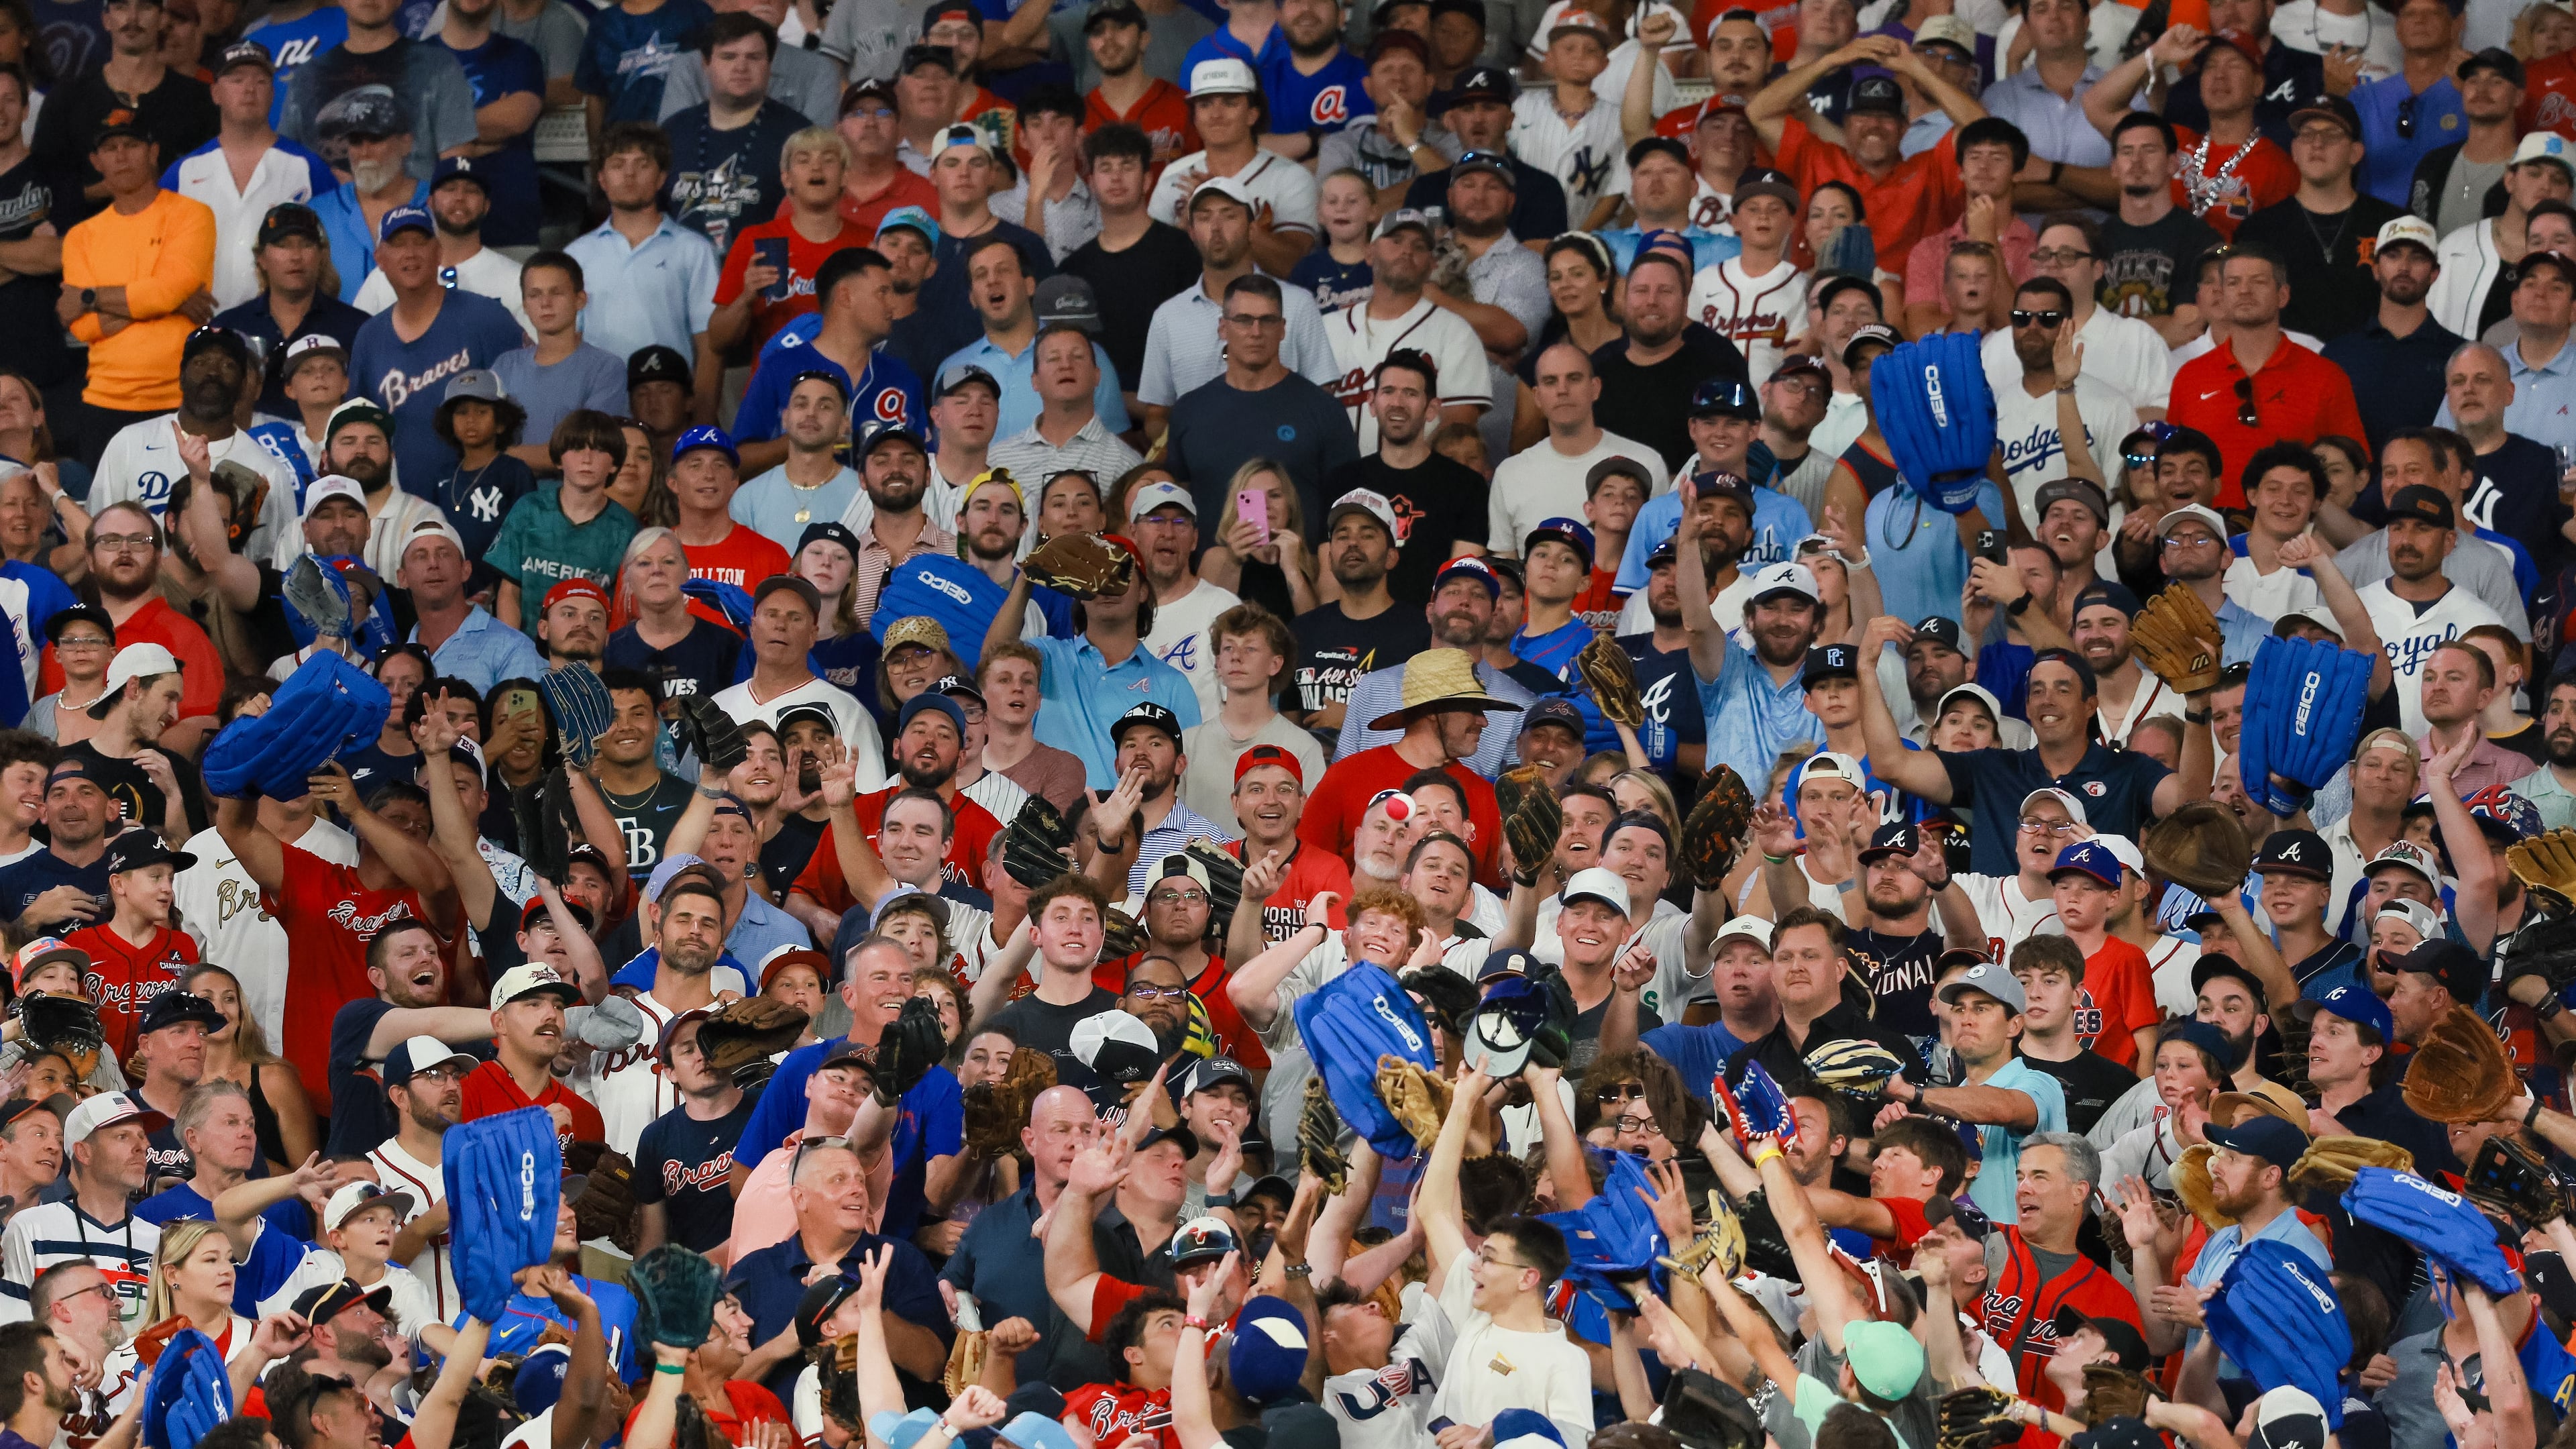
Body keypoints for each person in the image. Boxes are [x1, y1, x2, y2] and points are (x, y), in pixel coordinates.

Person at [56, 114, 217, 463]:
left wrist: (92, 298)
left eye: (131, 145)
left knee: (188, 511)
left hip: (183, 397)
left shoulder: (193, 214)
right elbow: (82, 325)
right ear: (96, 162)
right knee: (109, 516)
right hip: (104, 401)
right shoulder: (80, 236)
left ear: (153, 152)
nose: (121, 155)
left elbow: (165, 292)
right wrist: (168, 304)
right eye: (110, 148)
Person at [349, 205, 527, 493]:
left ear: (439, 251)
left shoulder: (486, 317)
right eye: (397, 244)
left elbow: (524, 409)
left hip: (484, 498)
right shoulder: (369, 337)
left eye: (420, 242)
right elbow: (358, 426)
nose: (410, 253)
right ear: (380, 259)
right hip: (402, 504)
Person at [0, 1093, 163, 1330]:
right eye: (122, 1136)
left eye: (141, 1136)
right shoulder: (31, 1228)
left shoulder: (161, 1242)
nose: (143, 1146)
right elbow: (13, 1331)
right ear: (84, 1152)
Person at [487, 252, 626, 449]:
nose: (545, 303)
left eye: (557, 293)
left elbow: (589, 450)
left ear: (580, 300)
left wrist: (501, 457)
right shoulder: (506, 365)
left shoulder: (606, 368)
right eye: (535, 295)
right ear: (525, 305)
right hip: (507, 481)